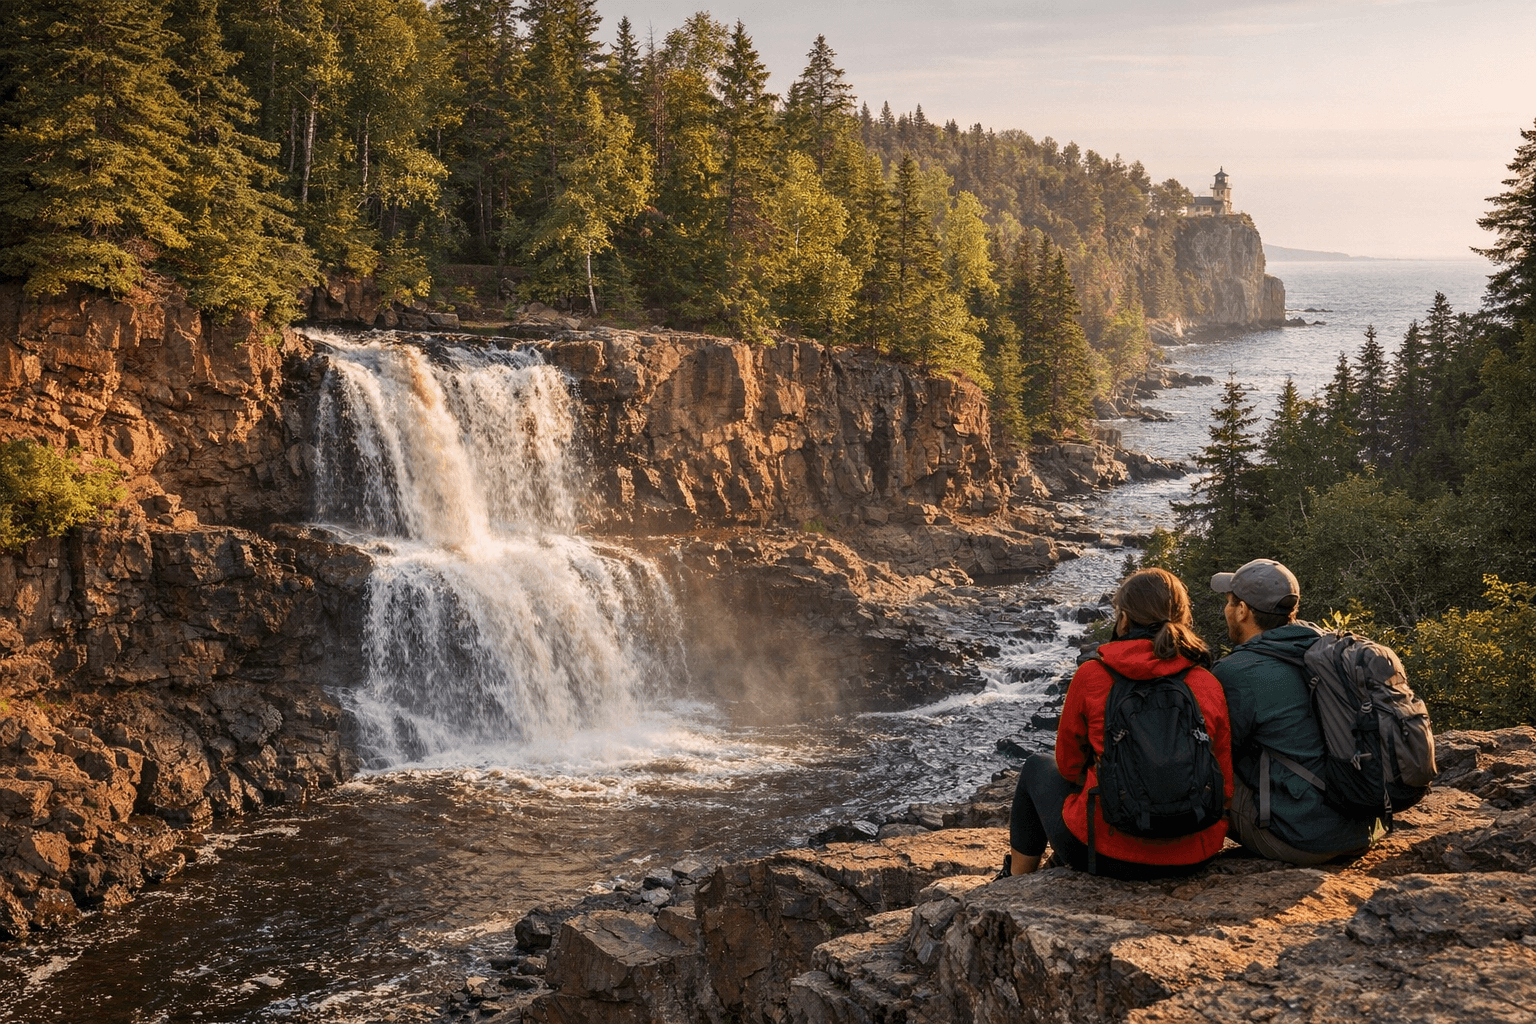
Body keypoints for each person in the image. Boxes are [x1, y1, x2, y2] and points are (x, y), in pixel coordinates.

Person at [1006, 568, 1233, 879]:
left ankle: (1014, 883)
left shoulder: (1092, 675)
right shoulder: (1205, 682)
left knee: (1035, 766)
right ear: (1182, 618)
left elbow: (1068, 765)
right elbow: (1224, 782)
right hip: (1194, 854)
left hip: (1103, 852)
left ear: (1124, 619)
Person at [1210, 558, 1375, 864]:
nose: (1227, 610)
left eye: (1229, 602)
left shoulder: (1236, 673)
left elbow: (1217, 752)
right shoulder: (1325, 649)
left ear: (1243, 611)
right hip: (1363, 828)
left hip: (1302, 838)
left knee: (1203, 767)